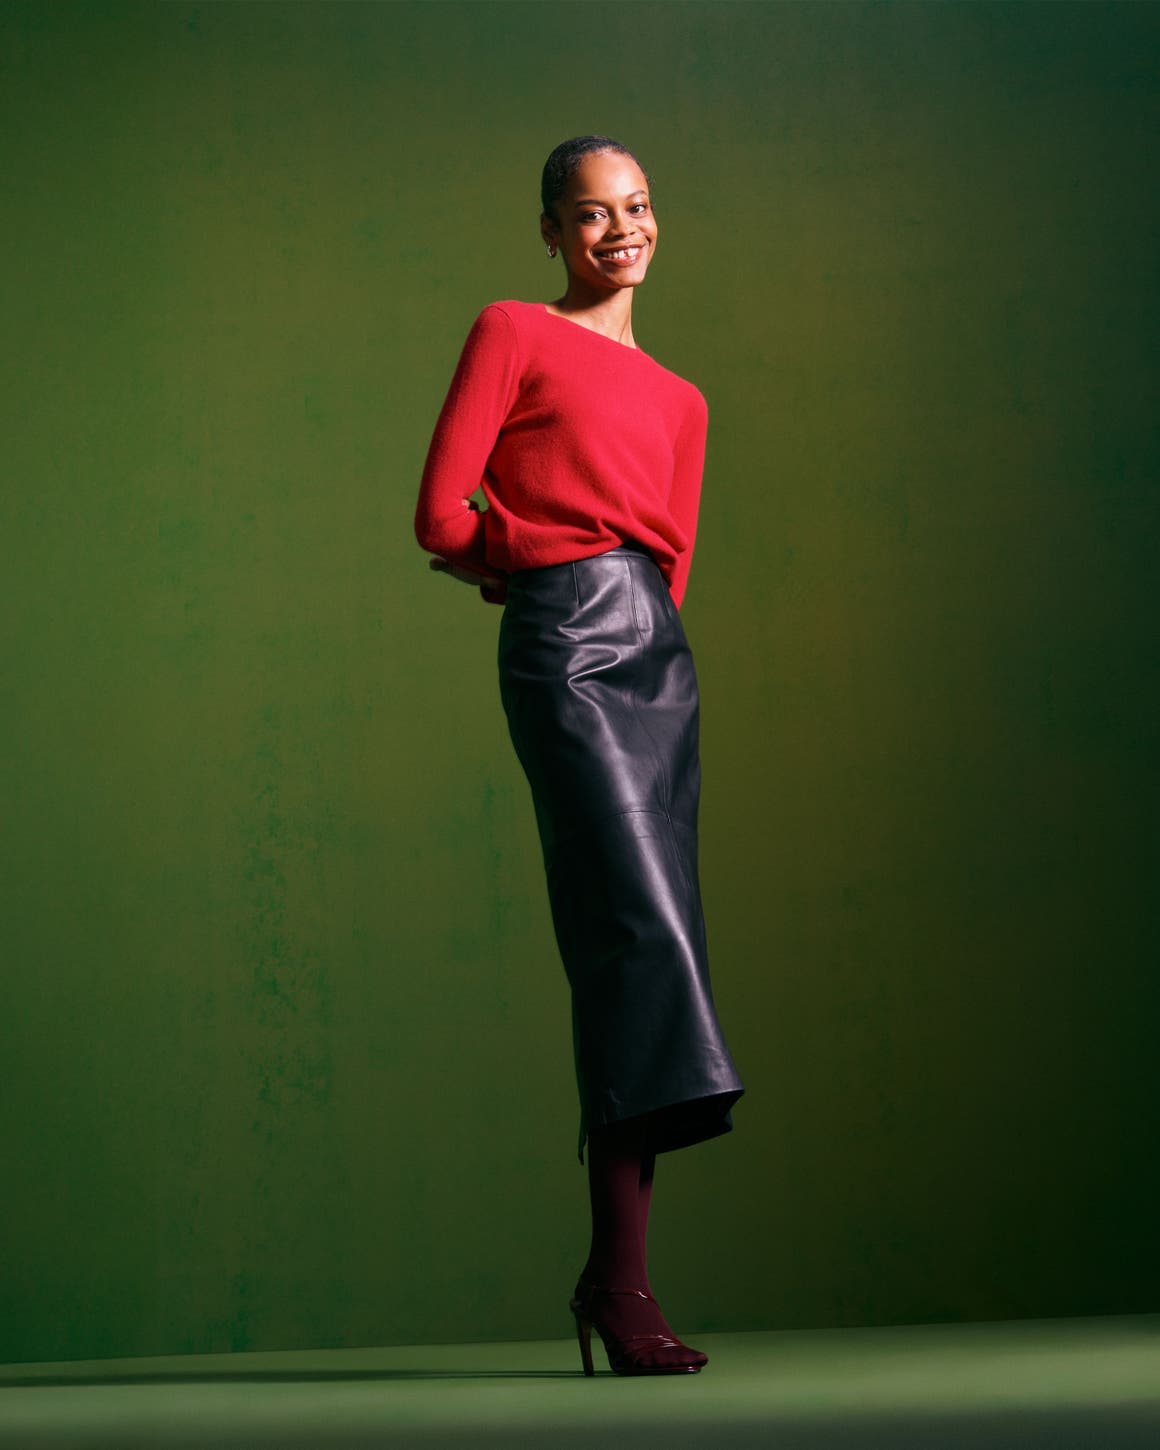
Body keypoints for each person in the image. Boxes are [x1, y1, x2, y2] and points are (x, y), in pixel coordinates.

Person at [414, 136, 744, 1377]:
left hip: (656, 658)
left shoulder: (683, 400)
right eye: (592, 213)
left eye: (639, 206)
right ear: (550, 232)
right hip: (565, 643)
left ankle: (614, 1275)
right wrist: (538, 563)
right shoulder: (512, 328)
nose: (622, 230)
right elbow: (442, 514)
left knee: (656, 951)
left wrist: (616, 596)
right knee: (632, 936)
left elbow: (670, 565)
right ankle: (620, 1281)